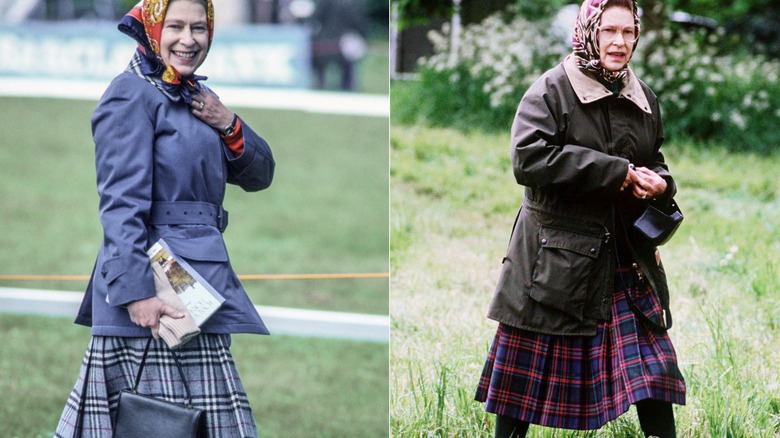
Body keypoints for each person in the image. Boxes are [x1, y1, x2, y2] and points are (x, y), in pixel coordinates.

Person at [54, 0, 275, 435]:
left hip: (197, 285)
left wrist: (227, 121)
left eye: (199, 27)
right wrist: (137, 294)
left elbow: (260, 175)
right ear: (152, 27)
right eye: (175, 26)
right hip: (156, 293)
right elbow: (120, 204)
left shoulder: (196, 96)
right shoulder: (130, 92)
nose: (188, 40)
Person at [474, 0, 686, 437]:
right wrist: (616, 173)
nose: (619, 42)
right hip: (554, 262)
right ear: (588, 30)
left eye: (628, 32)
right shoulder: (551, 89)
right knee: (522, 384)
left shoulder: (643, 96)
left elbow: (654, 158)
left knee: (656, 375)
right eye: (609, 30)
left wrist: (661, 184)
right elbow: (529, 159)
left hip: (626, 260)